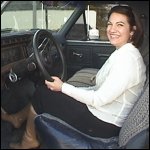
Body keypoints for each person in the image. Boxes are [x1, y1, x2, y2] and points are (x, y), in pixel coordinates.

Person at [1, 5, 146, 149]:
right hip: (104, 113)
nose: (112, 29)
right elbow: (100, 89)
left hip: (104, 124)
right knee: (48, 89)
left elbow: (98, 99)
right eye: (110, 24)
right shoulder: (123, 52)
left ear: (132, 31)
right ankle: (18, 118)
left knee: (41, 93)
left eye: (120, 25)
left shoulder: (128, 60)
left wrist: (64, 87)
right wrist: (68, 89)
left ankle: (29, 140)